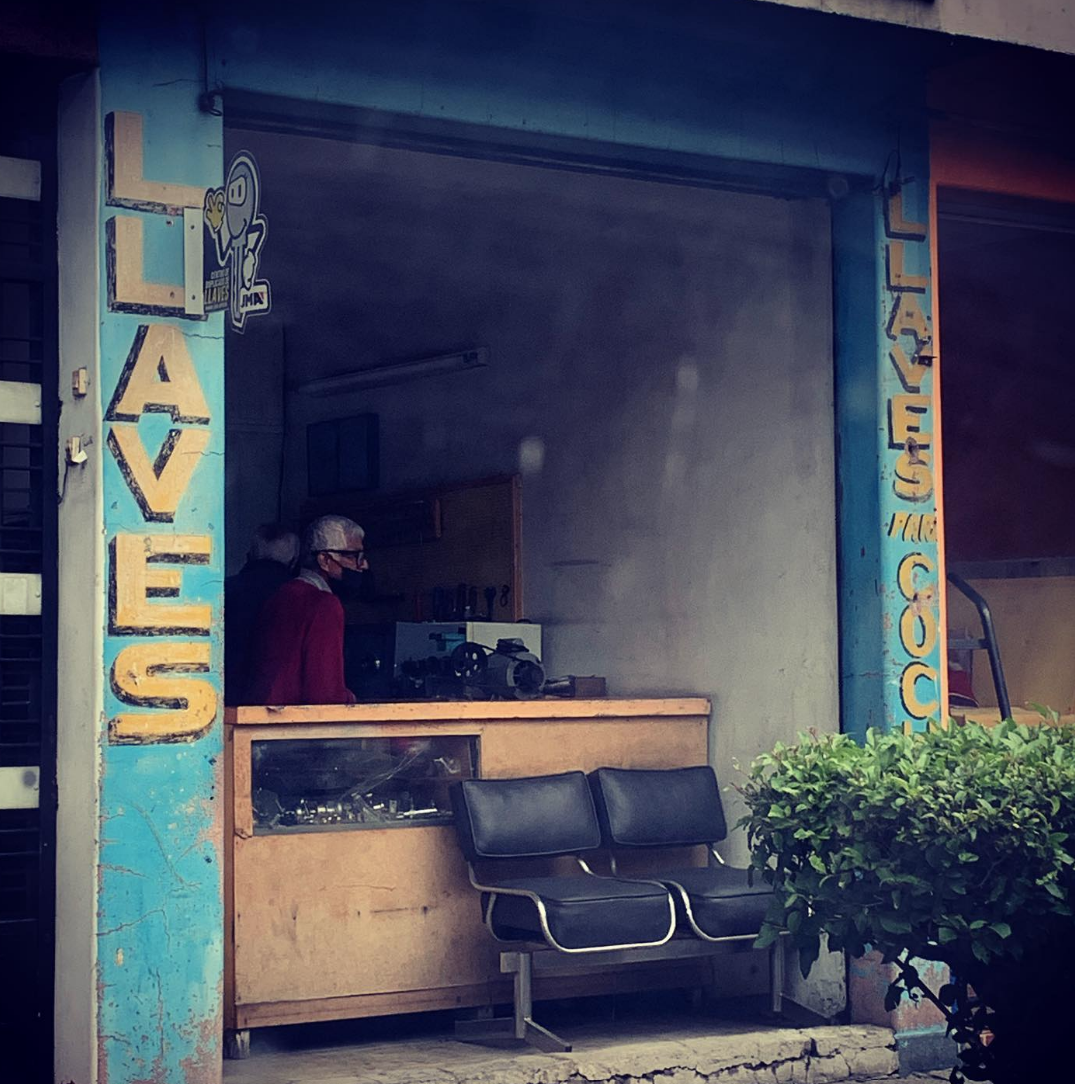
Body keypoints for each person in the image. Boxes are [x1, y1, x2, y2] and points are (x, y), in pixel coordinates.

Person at [243, 514, 368, 706]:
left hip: (260, 717)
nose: (363, 564)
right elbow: (326, 695)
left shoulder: (279, 595)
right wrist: (349, 698)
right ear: (325, 560)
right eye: (353, 556)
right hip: (296, 722)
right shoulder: (324, 604)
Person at [224, 524, 299, 705]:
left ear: (250, 554)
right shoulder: (299, 596)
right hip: (279, 702)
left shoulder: (225, 589)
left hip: (226, 695)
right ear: (294, 561)